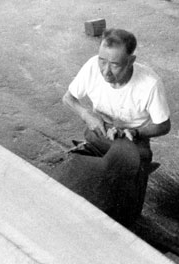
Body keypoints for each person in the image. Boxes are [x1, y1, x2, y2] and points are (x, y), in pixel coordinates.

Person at [60, 28, 171, 226]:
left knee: (127, 212)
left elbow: (164, 125)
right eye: (102, 60)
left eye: (115, 65)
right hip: (100, 131)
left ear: (131, 60)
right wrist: (87, 116)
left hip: (133, 141)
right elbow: (68, 98)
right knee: (83, 187)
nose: (105, 71)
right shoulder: (93, 67)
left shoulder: (149, 84)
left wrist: (137, 132)